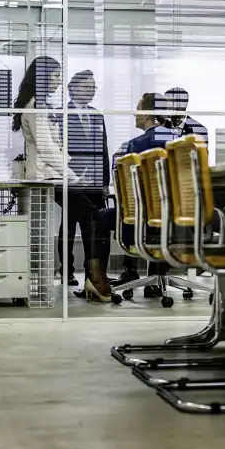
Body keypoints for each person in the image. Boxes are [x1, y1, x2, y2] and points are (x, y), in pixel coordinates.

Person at [76, 93, 176, 300]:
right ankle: (154, 279)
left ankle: (99, 282)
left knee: (98, 217)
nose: (134, 114)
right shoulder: (182, 142)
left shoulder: (135, 146)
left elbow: (128, 191)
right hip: (178, 223)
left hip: (145, 222)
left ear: (147, 114)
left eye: (138, 110)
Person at [55, 70, 109, 286]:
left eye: (93, 88)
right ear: (73, 88)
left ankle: (92, 272)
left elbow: (103, 149)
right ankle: (66, 270)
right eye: (87, 87)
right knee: (68, 227)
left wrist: (104, 182)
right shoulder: (60, 113)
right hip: (70, 180)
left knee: (93, 227)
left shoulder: (98, 115)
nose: (91, 92)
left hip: (94, 182)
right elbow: (58, 148)